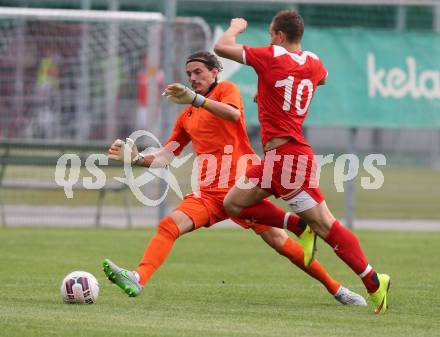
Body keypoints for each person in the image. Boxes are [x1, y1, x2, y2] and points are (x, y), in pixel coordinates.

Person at [102, 51, 366, 306]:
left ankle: (337, 289)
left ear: (215, 72)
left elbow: (233, 114)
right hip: (209, 194)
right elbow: (165, 157)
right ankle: (138, 278)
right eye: (189, 73)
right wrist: (136, 158)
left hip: (244, 189)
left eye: (199, 72)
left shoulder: (227, 90)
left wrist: (195, 98)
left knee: (281, 243)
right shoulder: (187, 117)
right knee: (169, 226)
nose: (193, 77)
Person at [213, 11, 390, 314]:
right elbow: (323, 79)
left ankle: (374, 280)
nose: (270, 40)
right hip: (275, 158)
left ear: (279, 36)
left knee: (325, 224)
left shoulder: (271, 55)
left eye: (271, 35)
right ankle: (297, 226)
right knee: (233, 204)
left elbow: (221, 48)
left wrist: (235, 28)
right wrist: (273, 94)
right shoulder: (314, 62)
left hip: (290, 157)